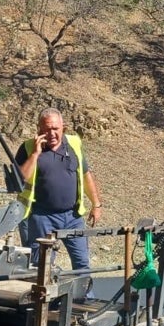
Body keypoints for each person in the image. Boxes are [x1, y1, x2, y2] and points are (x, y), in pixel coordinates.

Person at [15, 108, 103, 281]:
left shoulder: (74, 144)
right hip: (41, 217)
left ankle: (84, 299)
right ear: (39, 129)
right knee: (41, 266)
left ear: (64, 127)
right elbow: (19, 180)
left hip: (72, 217)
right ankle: (42, 305)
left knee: (82, 263)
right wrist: (35, 154)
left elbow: (85, 175)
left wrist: (96, 204)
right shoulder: (28, 147)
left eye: (55, 128)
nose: (51, 133)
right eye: (47, 129)